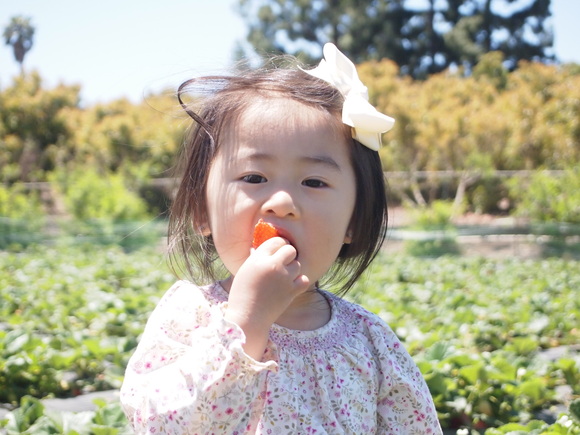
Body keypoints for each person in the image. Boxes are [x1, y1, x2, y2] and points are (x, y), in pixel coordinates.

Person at [120, 43, 442, 434]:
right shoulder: (189, 317)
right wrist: (245, 324)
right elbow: (159, 424)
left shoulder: (370, 341)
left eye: (314, 182)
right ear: (202, 211)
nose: (282, 203)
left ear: (354, 221)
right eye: (254, 178)